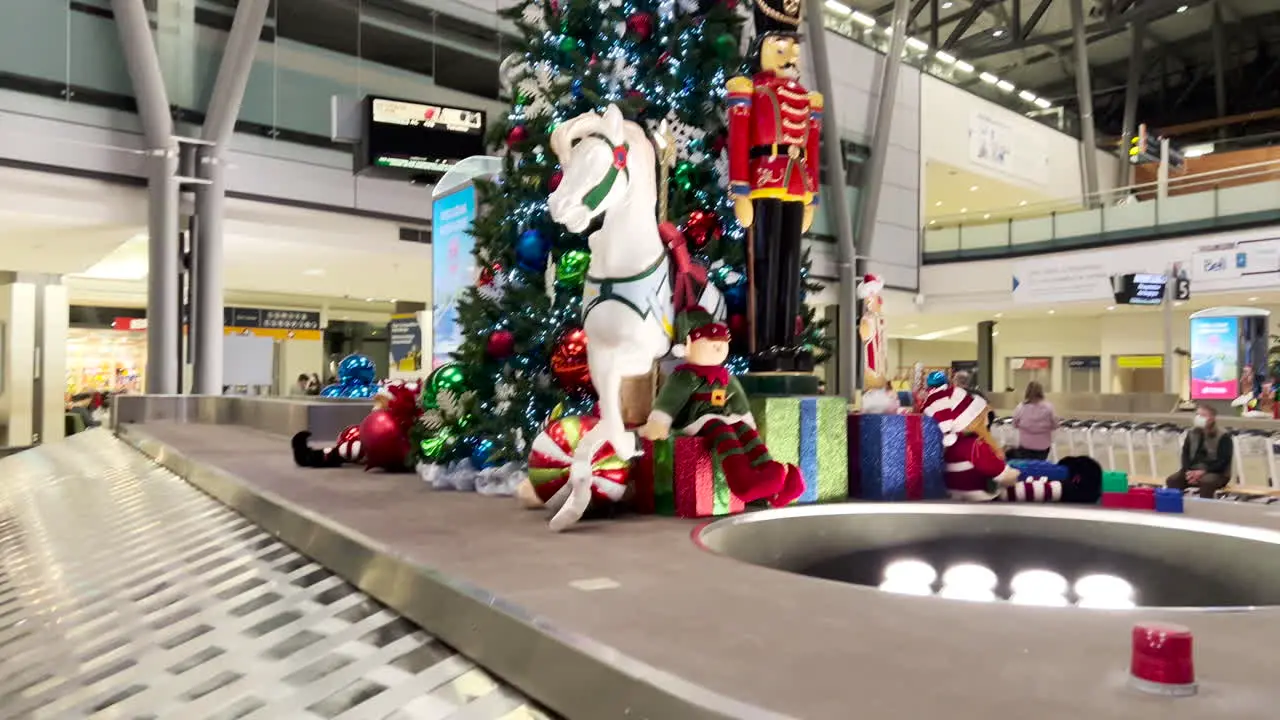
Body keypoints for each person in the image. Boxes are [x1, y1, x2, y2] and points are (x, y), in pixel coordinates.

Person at [1166, 405, 1233, 498]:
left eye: (1203, 415)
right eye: (1198, 415)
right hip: (1193, 469)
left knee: (1207, 481)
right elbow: (1185, 454)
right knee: (1173, 480)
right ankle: (1174, 506)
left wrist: (1202, 472)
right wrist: (1189, 471)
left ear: (1212, 418)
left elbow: (1223, 460)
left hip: (1216, 472)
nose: (1199, 418)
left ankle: (1204, 508)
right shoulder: (1191, 434)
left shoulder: (1223, 436)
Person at [1011, 381, 1056, 460]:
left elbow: (1014, 424)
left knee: (1027, 467)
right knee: (1039, 466)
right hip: (1043, 446)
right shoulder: (1049, 407)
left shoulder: (1021, 407)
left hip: (1025, 445)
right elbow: (1055, 425)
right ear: (1041, 392)